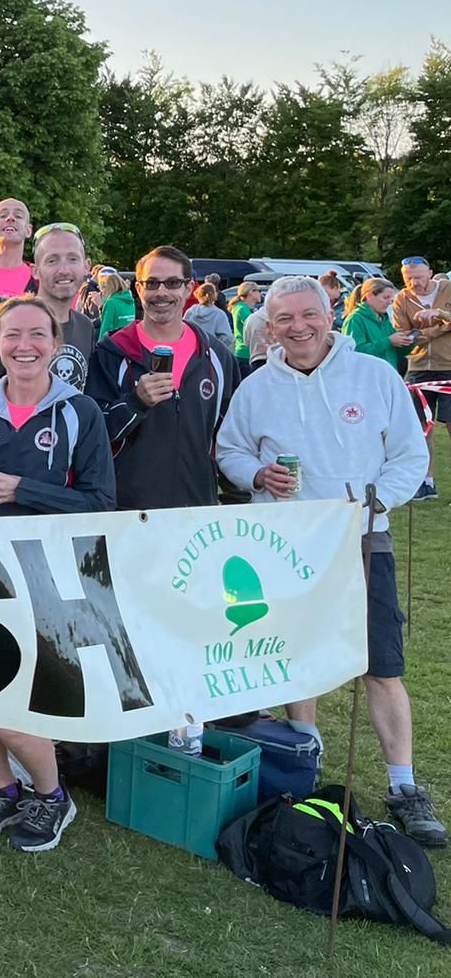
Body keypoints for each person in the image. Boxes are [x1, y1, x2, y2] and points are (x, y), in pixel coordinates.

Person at [216, 275, 444, 848]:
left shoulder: (373, 374)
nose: (297, 327)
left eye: (307, 315)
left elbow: (410, 455)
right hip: (285, 541)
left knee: (382, 664)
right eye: (284, 319)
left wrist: (374, 503)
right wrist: (255, 475)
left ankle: (404, 785)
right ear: (267, 326)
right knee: (294, 658)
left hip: (363, 539)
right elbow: (229, 448)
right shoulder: (257, 385)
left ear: (329, 314)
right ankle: (303, 762)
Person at [0, 296, 115, 852]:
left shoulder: (79, 412)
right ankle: (2, 788)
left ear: (56, 344)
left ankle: (51, 795)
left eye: (36, 335)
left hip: (45, 578)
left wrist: (23, 490)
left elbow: (100, 503)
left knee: (14, 709)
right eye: (12, 335)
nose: (24, 346)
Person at [86, 246, 238, 511]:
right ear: (138, 288)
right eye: (152, 283)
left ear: (189, 288)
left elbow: (232, 437)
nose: (162, 293)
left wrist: (237, 497)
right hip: (128, 512)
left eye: (173, 283)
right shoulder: (111, 353)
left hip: (196, 509)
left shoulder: (216, 356)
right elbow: (91, 435)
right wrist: (135, 403)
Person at [0, 223, 95, 405]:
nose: (64, 270)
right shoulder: (7, 320)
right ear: (35, 271)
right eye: (52, 260)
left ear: (86, 267)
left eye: (73, 259)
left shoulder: (85, 326)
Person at [390, 256, 451, 500]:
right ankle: (426, 482)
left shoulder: (448, 289)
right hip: (418, 366)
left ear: (431, 273)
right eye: (409, 278)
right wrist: (441, 327)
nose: (414, 283)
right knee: (421, 428)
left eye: (419, 277)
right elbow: (405, 335)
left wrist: (441, 313)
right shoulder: (402, 299)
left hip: (448, 366)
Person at [343, 277, 412, 367]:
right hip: (367, 377)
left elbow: (396, 353)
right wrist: (388, 341)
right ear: (369, 295)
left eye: (391, 299)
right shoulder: (355, 319)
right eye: (385, 297)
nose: (389, 302)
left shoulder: (384, 320)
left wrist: (409, 342)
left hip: (388, 374)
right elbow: (355, 352)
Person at [0, 198, 33, 298]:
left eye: (18, 216)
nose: (10, 218)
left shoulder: (39, 277)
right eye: (2, 215)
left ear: (28, 230)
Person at [184, 281, 234, 351]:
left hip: (192, 350)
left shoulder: (190, 312)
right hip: (212, 351)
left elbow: (183, 331)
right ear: (214, 295)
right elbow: (227, 338)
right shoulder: (219, 314)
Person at [228, 281, 261, 366]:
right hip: (245, 354)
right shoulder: (242, 308)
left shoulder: (242, 307)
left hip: (246, 353)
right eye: (258, 290)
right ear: (251, 292)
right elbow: (255, 325)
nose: (260, 293)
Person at [96, 271, 136, 338]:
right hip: (129, 340)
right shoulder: (130, 300)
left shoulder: (111, 303)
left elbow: (106, 328)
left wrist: (99, 346)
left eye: (103, 287)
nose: (102, 291)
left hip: (114, 343)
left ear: (109, 287)